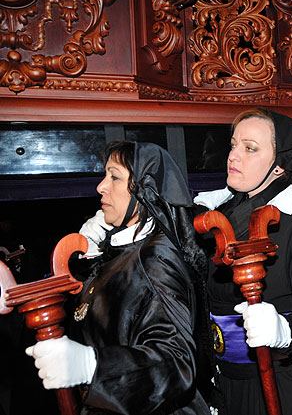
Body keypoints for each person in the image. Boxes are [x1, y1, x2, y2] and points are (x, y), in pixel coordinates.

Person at [24, 141, 210, 414]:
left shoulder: (157, 257)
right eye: (105, 175)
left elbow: (176, 361)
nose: (101, 186)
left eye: (114, 176)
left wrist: (92, 365)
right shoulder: (122, 251)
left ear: (146, 191)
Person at [202, 108, 292, 415]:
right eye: (233, 145)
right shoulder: (226, 220)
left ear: (279, 166)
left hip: (289, 389)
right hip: (233, 386)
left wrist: (288, 331)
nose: (233, 156)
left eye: (250, 148)